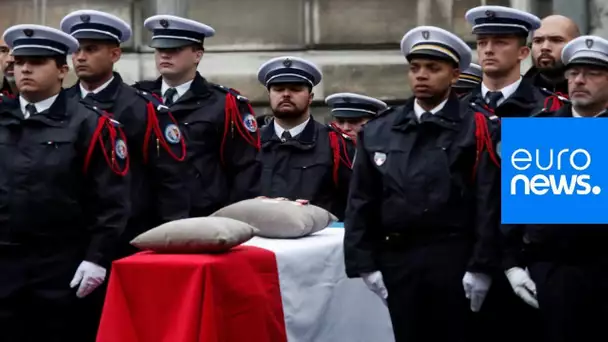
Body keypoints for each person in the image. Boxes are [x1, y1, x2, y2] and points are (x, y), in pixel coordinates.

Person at [344, 25, 501, 342]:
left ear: (455, 75)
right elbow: (361, 199)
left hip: (453, 258)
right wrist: (364, 263)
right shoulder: (380, 130)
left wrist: (482, 266)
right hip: (398, 258)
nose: (422, 76)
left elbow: (489, 199)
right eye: (415, 68)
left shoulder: (478, 126)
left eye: (433, 68)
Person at [59, 9, 190, 339]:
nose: (81, 57)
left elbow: (170, 181)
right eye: (76, 49)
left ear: (115, 54)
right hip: (67, 243)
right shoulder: (62, 104)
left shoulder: (142, 108)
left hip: (127, 242)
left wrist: (164, 248)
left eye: (91, 49)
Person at [0, 24, 130, 342]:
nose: (25, 69)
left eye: (38, 62)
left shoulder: (90, 124)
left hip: (61, 267)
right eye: (19, 62)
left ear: (62, 70)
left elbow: (111, 201)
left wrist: (97, 259)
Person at [504, 35, 608, 342]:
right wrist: (511, 264)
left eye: (592, 73)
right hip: (553, 273)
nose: (579, 80)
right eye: (574, 73)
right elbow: (512, 205)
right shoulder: (541, 130)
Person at [134, 14, 261, 217]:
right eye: (160, 49)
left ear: (197, 55)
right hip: (147, 215)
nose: (164, 56)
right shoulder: (138, 99)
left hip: (203, 216)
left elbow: (245, 169)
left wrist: (232, 219)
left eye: (174, 49)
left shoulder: (225, 104)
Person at [256, 56, 354, 220]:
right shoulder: (249, 143)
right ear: (269, 95)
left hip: (316, 240)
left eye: (295, 89)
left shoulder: (335, 144)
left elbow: (353, 201)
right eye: (278, 89)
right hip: (259, 239)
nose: (286, 94)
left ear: (310, 97)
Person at [463, 6, 566, 116]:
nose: (488, 50)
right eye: (482, 43)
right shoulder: (458, 108)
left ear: (523, 53)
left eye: (500, 43)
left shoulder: (551, 108)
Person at [523, 15, 580, 95]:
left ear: (576, 45)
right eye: (538, 41)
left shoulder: (594, 94)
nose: (544, 47)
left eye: (556, 40)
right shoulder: (517, 95)